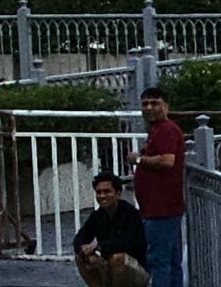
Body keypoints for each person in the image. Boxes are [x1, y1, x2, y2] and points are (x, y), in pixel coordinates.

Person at [132, 87, 185, 287]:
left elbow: (167, 161)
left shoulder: (166, 130)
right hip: (160, 208)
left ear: (166, 106)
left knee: (159, 261)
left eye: (155, 103)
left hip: (162, 209)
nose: (149, 108)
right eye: (145, 104)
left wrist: (139, 160)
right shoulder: (157, 130)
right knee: (170, 260)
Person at [74, 173, 147, 287]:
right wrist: (85, 250)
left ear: (118, 193)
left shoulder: (131, 214)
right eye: (99, 192)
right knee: (81, 257)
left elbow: (127, 242)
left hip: (136, 270)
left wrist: (98, 246)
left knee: (118, 259)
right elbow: (81, 236)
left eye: (107, 191)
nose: (102, 196)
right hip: (109, 266)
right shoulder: (98, 215)